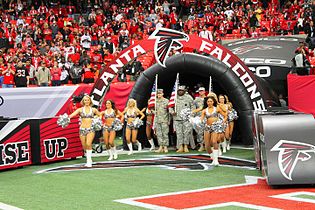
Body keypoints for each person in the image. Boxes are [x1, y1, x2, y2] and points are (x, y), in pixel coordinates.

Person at [69, 95, 101, 167]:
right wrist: (66, 118)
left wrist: (96, 119)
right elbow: (72, 115)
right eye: (85, 100)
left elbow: (100, 115)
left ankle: (89, 161)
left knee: (88, 144)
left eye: (88, 100)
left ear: (90, 101)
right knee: (84, 146)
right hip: (82, 129)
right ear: (83, 101)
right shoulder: (80, 109)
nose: (86, 101)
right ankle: (89, 158)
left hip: (91, 129)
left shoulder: (93, 110)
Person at [200, 96, 226, 166]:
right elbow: (201, 119)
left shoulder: (217, 109)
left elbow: (225, 115)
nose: (209, 103)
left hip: (215, 126)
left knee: (214, 141)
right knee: (207, 146)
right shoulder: (204, 110)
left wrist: (223, 122)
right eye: (208, 101)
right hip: (207, 127)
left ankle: (216, 160)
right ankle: (213, 156)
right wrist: (198, 122)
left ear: (213, 102)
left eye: (211, 101)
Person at [169, 85, 194, 153]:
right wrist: (172, 112)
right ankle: (180, 147)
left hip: (186, 119)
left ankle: (186, 146)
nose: (180, 92)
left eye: (181, 90)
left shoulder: (189, 97)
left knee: (186, 133)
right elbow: (170, 106)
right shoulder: (174, 98)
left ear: (184, 91)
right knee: (179, 133)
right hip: (177, 118)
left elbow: (193, 106)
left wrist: (191, 115)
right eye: (179, 90)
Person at [154, 89, 170, 153]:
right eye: (158, 94)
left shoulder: (166, 101)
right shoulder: (155, 101)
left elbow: (169, 112)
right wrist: (153, 111)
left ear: (163, 94)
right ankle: (160, 146)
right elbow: (151, 109)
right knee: (159, 134)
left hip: (164, 120)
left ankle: (165, 147)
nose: (159, 95)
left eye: (160, 93)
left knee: (165, 134)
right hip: (157, 120)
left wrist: (169, 120)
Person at [193, 87, 207, 152]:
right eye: (200, 91)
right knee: (199, 132)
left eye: (202, 91)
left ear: (204, 91)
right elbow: (193, 108)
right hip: (199, 117)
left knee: (207, 132)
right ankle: (201, 145)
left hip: (207, 117)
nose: (201, 92)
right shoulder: (196, 99)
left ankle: (207, 145)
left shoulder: (207, 99)